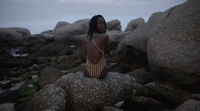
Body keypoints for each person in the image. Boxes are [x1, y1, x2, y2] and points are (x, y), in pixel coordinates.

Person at [83, 15, 109, 79]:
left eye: (104, 23)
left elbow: (84, 56)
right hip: (101, 72)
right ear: (94, 25)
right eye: (100, 23)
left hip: (87, 72)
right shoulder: (105, 37)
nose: (103, 25)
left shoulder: (85, 39)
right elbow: (106, 51)